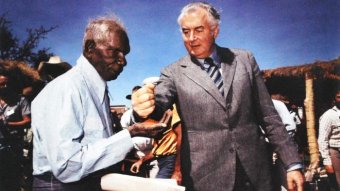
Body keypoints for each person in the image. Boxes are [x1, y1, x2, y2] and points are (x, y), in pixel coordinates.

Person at [132, 2, 304, 191]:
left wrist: (292, 164)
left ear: (215, 31)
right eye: (185, 31)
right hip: (205, 178)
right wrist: (143, 107)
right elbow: (159, 103)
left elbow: (269, 117)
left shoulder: (245, 60)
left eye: (198, 30)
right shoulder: (173, 73)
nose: (191, 38)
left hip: (256, 174)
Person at [31, 15, 168, 191]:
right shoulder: (68, 88)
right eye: (115, 51)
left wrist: (136, 123)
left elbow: (97, 141)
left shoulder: (95, 89)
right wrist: (131, 134)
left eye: (124, 54)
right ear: (90, 48)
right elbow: (66, 166)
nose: (123, 61)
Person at [0, 60, 33, 191]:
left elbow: (28, 120)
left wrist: (8, 124)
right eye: (2, 84)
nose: (5, 87)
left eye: (7, 83)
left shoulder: (20, 100)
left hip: (14, 144)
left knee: (13, 176)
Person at [131, 103, 182, 184]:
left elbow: (181, 137)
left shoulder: (172, 112)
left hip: (170, 159)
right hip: (161, 160)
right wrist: (141, 160)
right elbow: (157, 150)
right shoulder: (161, 117)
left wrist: (177, 170)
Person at [318, 89, 340, 190]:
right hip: (336, 154)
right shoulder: (329, 116)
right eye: (339, 97)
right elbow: (322, 140)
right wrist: (327, 162)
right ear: (334, 99)